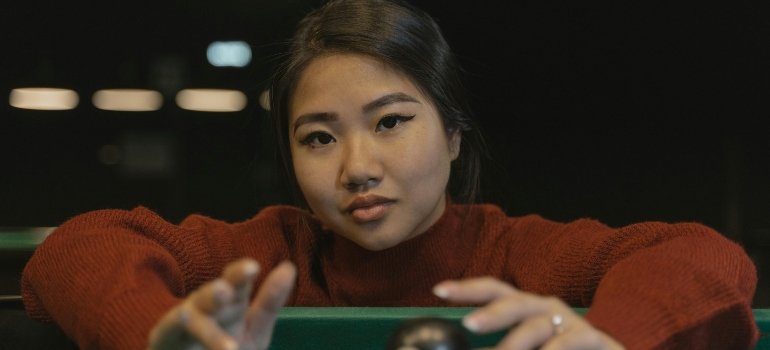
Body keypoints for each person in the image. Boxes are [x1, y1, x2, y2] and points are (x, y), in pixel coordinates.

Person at [21, 0, 759, 349]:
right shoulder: (267, 257)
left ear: (456, 136)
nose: (357, 168)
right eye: (318, 137)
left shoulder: (518, 256)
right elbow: (77, 247)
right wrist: (153, 336)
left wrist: (614, 342)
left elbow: (702, 254)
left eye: (391, 121)